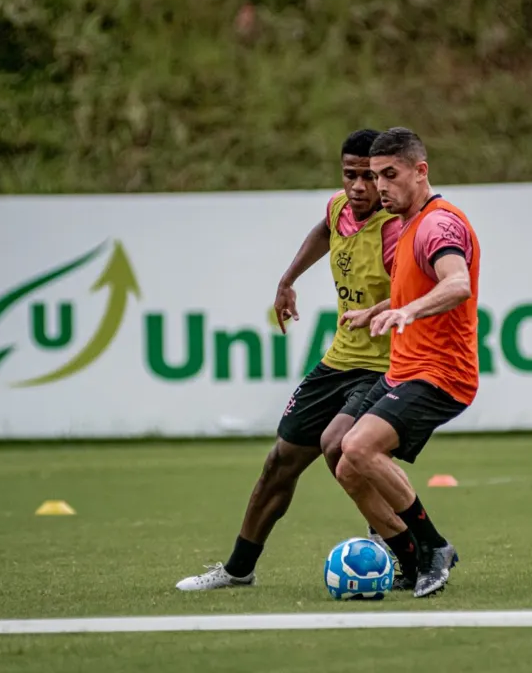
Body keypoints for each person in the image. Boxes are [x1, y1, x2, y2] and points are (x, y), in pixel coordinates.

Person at [175, 129, 421, 591]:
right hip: (338, 362)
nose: (358, 188)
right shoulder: (339, 209)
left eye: (369, 177)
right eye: (350, 175)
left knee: (340, 447)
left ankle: (406, 545)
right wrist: (288, 279)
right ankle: (238, 570)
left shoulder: (394, 230)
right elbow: (325, 228)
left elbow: (416, 294)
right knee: (279, 463)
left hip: (386, 366)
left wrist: (386, 311)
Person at [338, 127, 481, 598]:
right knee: (345, 463)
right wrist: (378, 310)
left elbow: (456, 283)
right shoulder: (408, 225)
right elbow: (413, 291)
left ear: (421, 171)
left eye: (390, 174)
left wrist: (407, 311)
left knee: (359, 447)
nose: (380, 187)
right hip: (406, 369)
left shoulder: (439, 225)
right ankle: (411, 561)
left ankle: (434, 547)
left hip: (441, 374)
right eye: (376, 176)